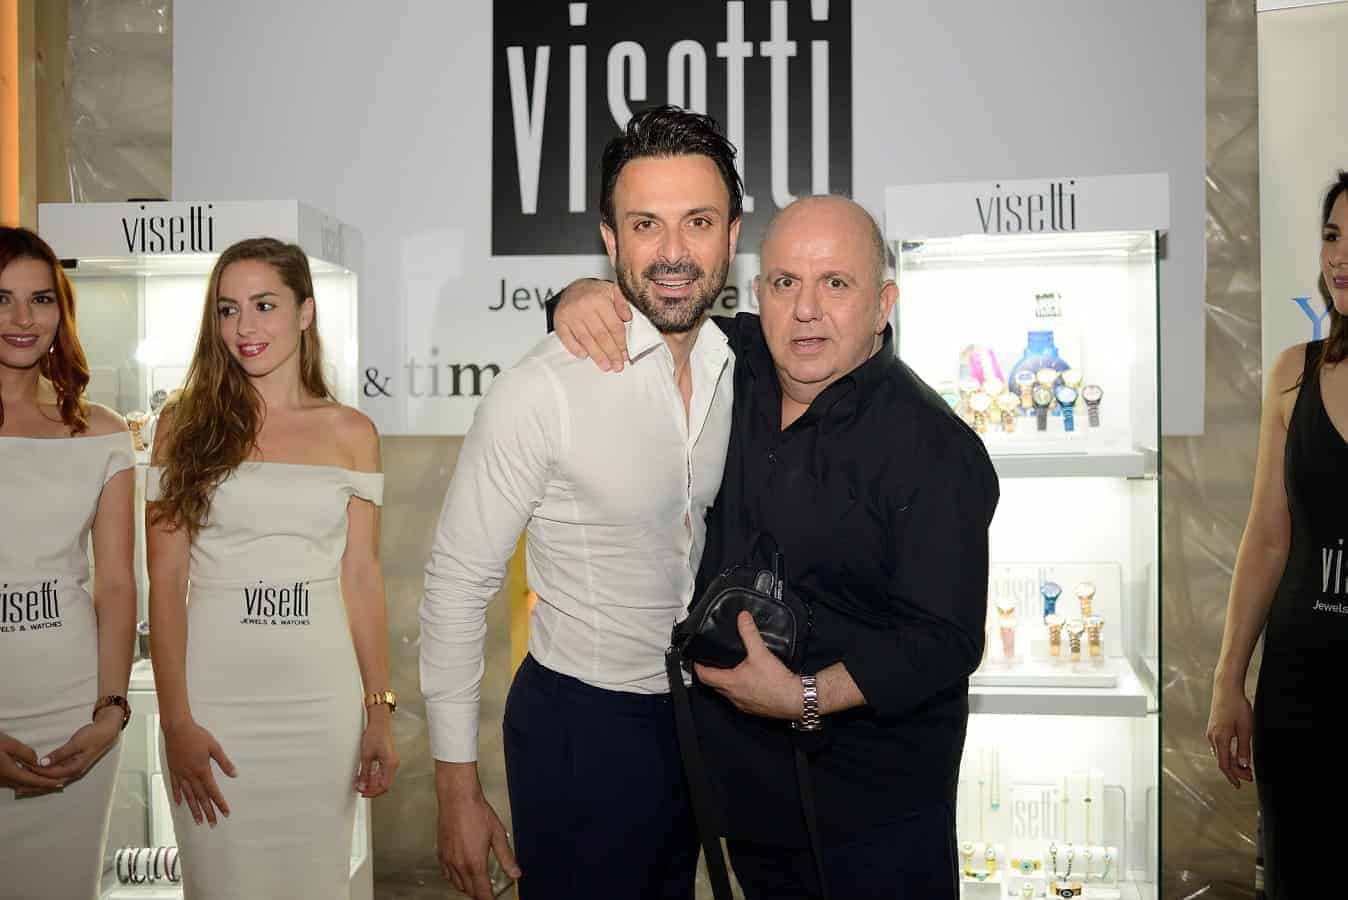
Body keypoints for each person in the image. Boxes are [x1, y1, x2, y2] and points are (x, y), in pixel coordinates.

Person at [552, 194, 1000, 899]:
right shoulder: (734, 363)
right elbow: (641, 315)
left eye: (836, 284)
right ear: (759, 295)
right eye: (787, 283)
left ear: (884, 304)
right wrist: (579, 295)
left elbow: (944, 640)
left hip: (877, 816)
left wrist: (806, 696)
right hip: (751, 801)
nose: (806, 309)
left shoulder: (935, 448)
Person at [420, 105, 741, 900]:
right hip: (579, 732)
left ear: (733, 236)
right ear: (610, 239)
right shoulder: (543, 390)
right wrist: (456, 790)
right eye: (645, 224)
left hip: (697, 723)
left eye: (698, 222)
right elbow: (455, 586)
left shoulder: (740, 364)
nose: (673, 252)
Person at [146, 237, 397, 899]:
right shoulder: (182, 427)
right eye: (228, 309)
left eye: (264, 305)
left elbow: (362, 579)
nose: (244, 327)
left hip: (321, 709)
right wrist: (175, 721)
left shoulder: (352, 432)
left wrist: (378, 711)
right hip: (214, 705)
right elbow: (165, 585)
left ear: (305, 312)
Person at [1207, 169, 1348, 898]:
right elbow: (1267, 537)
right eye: (1332, 236)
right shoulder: (1296, 374)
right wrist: (1229, 679)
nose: (1340, 256)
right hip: (1299, 692)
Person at [0, 226, 136, 900]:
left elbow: (116, 584)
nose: (23, 319)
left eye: (40, 298)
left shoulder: (102, 434)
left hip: (74, 714)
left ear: (62, 310)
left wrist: (111, 711)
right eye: (1, 299)